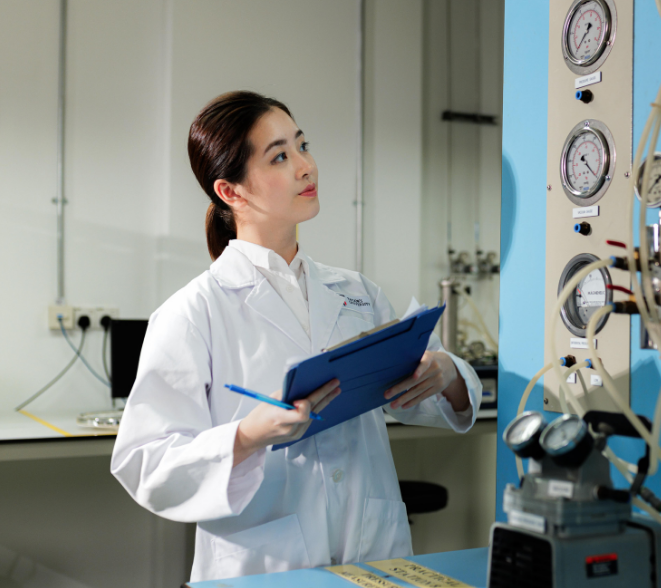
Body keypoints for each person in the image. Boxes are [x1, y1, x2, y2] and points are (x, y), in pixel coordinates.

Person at [111, 91, 481, 582]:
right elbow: (145, 462)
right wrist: (247, 436)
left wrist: (447, 373)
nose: (306, 167)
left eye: (302, 146)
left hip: (371, 547)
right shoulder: (194, 311)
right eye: (280, 156)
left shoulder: (356, 292)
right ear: (231, 192)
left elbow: (410, 400)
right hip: (263, 560)